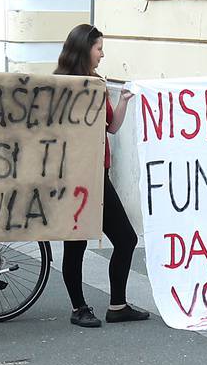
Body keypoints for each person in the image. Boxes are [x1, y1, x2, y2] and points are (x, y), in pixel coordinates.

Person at [54, 23, 149, 328]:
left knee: (125, 239)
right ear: (85, 49)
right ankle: (79, 307)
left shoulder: (95, 83)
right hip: (73, 177)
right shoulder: (60, 86)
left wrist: (122, 101)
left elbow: (111, 127)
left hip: (98, 174)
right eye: (99, 48)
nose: (102, 54)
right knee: (77, 243)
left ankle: (117, 305)